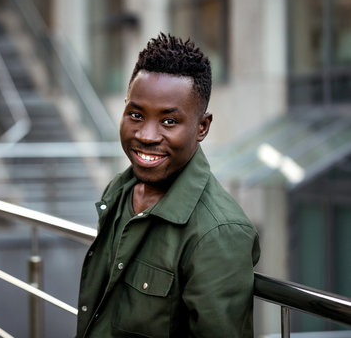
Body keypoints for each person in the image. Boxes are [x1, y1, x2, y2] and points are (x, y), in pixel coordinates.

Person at [75, 33, 260, 337]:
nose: (146, 135)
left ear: (202, 127)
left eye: (169, 121)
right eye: (136, 115)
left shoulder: (219, 232)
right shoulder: (118, 192)